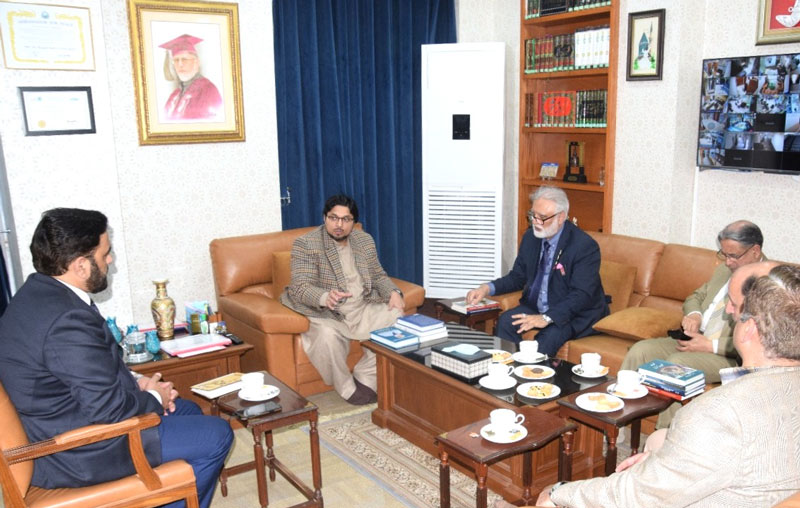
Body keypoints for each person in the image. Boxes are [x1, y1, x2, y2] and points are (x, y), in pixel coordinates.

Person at [0, 208, 232, 508]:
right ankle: (171, 497)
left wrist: (137, 381)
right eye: (105, 254)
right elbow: (107, 409)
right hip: (80, 452)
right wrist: (154, 399)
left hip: (58, 425)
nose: (110, 261)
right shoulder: (66, 319)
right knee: (217, 435)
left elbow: (79, 370)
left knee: (187, 410)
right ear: (81, 265)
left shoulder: (36, 296)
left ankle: (166, 494)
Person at [537, 262, 800, 507]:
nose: (730, 311)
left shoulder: (719, 411)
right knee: (658, 441)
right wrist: (667, 459)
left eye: (735, 307)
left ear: (749, 329)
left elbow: (635, 495)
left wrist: (560, 491)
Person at [619, 220, 765, 428]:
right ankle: (621, 423)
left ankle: (664, 437)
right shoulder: (724, 271)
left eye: (734, 256)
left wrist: (710, 345)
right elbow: (695, 297)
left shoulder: (768, 281)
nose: (728, 262)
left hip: (728, 354)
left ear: (755, 250)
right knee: (640, 350)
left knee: (677, 365)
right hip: (695, 338)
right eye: (723, 254)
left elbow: (761, 340)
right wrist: (695, 314)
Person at [280, 194, 404, 405]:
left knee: (396, 316)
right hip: (327, 311)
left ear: (354, 222)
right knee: (326, 336)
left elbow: (378, 275)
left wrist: (393, 292)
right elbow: (300, 287)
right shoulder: (306, 244)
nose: (339, 225)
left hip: (362, 306)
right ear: (324, 218)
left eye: (346, 219)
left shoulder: (364, 240)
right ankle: (346, 387)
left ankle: (365, 375)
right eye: (333, 218)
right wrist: (324, 297)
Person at [465, 186, 608, 356]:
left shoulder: (583, 246)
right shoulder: (531, 237)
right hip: (538, 307)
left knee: (547, 338)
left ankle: (537, 380)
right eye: (533, 215)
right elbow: (517, 277)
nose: (535, 222)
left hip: (573, 313)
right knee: (505, 322)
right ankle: (506, 372)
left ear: (561, 217)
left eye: (542, 217)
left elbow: (581, 295)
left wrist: (546, 318)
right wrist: (486, 288)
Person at [159, 34, 223, 120]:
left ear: (196, 62)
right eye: (176, 60)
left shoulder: (208, 90)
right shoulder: (175, 94)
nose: (180, 64)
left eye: (184, 59)